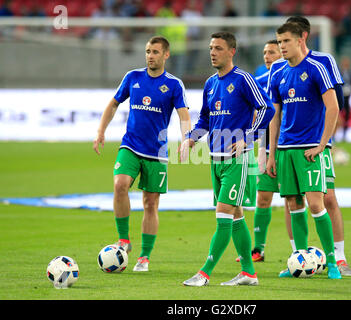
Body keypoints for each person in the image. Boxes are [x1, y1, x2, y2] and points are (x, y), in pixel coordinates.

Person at [181, 31, 275, 286]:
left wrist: (249, 136)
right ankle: (248, 273)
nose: (212, 52)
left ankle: (205, 272)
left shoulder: (244, 79)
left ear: (231, 51)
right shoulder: (211, 83)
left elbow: (267, 108)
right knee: (235, 215)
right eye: (211, 47)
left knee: (223, 214)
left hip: (238, 159)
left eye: (219, 48)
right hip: (215, 158)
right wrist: (191, 138)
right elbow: (205, 119)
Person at [93, 36, 191, 273]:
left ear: (166, 55)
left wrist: (187, 139)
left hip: (156, 152)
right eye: (148, 51)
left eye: (155, 52)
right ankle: (124, 240)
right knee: (120, 185)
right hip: (130, 145)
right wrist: (101, 131)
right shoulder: (132, 77)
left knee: (150, 203)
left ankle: (144, 256)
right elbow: (114, 103)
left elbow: (184, 115)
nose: (150, 55)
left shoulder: (174, 85)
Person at [268, 16, 351, 277]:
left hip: (311, 148)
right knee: (293, 203)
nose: (281, 47)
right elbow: (275, 115)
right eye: (279, 41)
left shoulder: (320, 65)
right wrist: (272, 154)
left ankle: (334, 261)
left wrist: (323, 144)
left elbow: (334, 106)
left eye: (286, 41)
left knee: (320, 202)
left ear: (301, 39)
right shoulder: (278, 71)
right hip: (285, 149)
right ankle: (302, 260)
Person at [235, 40, 282, 263]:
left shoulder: (295, 78)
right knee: (263, 198)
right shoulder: (258, 82)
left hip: (293, 145)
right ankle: (258, 249)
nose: (267, 56)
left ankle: (301, 250)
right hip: (265, 144)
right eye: (264, 52)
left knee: (297, 201)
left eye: (271, 52)